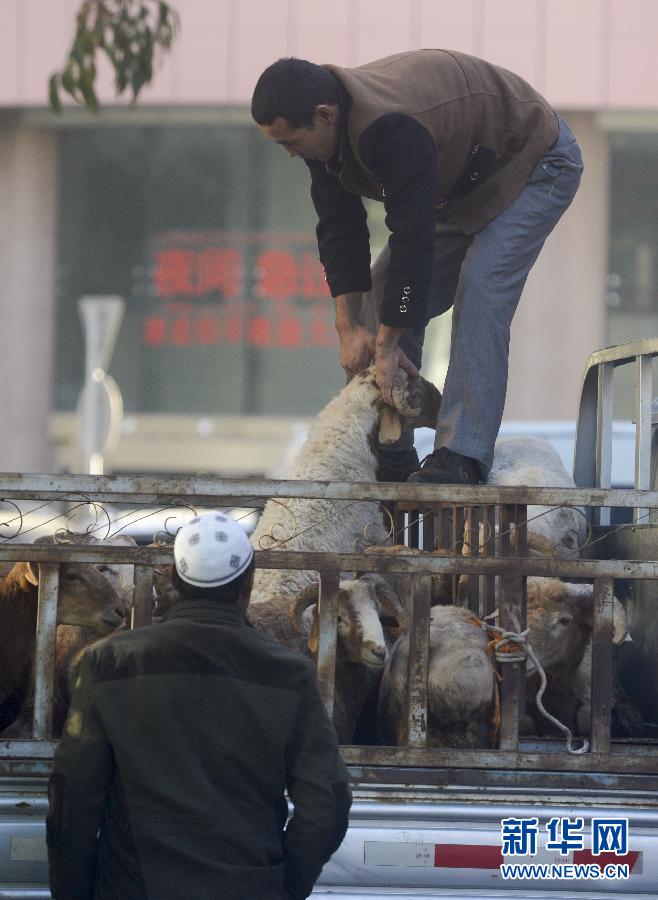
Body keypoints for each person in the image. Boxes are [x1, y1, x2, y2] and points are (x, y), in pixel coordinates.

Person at [251, 50, 583, 484]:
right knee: (382, 287)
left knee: (481, 289)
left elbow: (413, 242)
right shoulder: (325, 138)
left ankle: (461, 456)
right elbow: (339, 230)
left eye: (290, 142)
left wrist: (389, 346)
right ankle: (393, 450)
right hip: (460, 184)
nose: (291, 154)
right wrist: (348, 328)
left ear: (324, 115)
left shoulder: (390, 129)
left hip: (532, 164)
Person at [46, 511, 351, 900]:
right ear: (250, 583)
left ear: (173, 580)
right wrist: (285, 886)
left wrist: (76, 892)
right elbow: (328, 802)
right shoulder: (290, 674)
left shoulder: (109, 662)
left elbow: (73, 800)